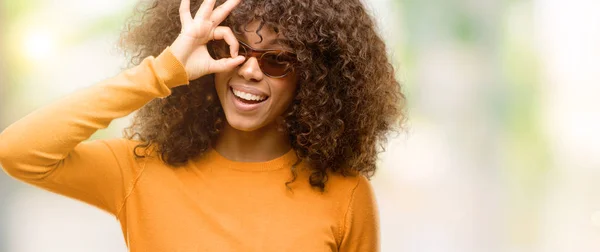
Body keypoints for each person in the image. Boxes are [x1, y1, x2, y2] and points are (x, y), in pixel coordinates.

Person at [0, 0, 404, 251]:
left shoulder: (345, 195)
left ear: (313, 77)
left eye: (276, 59)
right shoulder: (141, 170)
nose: (249, 69)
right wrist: (165, 70)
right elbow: (19, 152)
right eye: (232, 49)